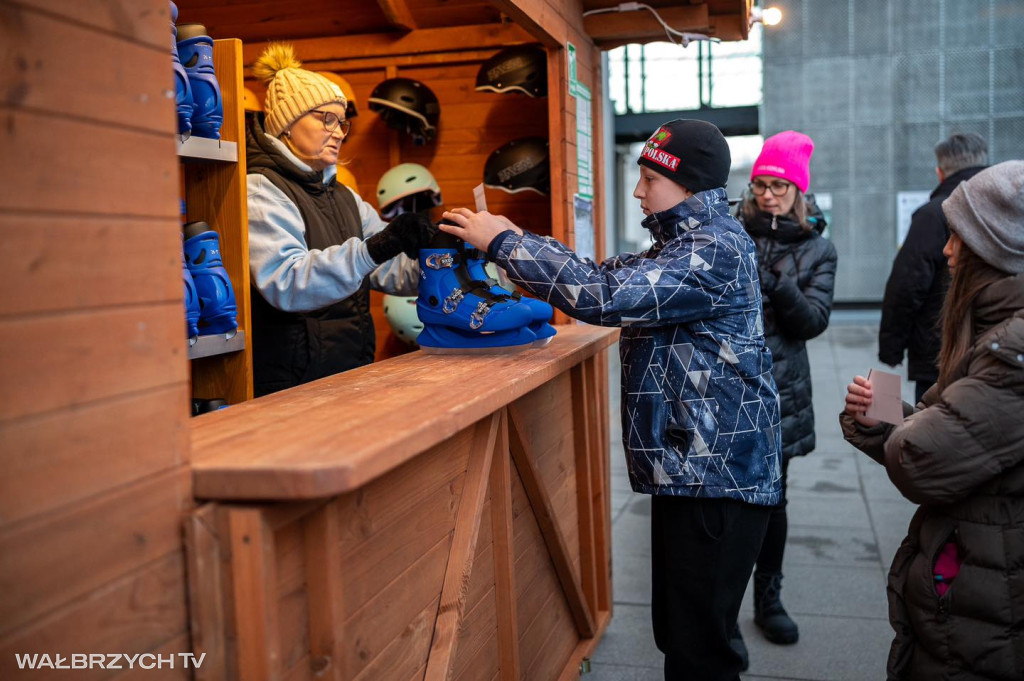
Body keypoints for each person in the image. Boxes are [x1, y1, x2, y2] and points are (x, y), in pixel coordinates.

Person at [441, 119, 782, 681]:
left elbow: (602, 297)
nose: (638, 190)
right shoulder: (682, 242)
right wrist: (510, 239)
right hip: (698, 468)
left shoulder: (713, 249)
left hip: (718, 476)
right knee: (683, 633)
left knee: (700, 651)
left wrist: (504, 242)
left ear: (690, 186)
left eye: (649, 178)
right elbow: (600, 274)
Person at [841, 161, 1024, 680]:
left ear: (994, 251)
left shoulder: (1013, 346)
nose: (946, 251)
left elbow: (924, 454)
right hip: (985, 568)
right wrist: (883, 413)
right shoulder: (994, 331)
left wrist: (900, 425)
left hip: (991, 585)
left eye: (958, 240)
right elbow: (946, 422)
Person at [245, 43, 434, 396]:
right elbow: (287, 281)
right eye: (325, 118)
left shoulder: (344, 197)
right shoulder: (261, 189)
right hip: (290, 387)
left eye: (341, 122)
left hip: (348, 373)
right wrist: (377, 247)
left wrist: (446, 255)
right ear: (287, 123)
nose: (337, 132)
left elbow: (389, 269)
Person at [730, 131, 837, 659]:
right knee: (725, 500)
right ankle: (722, 612)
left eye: (780, 186)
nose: (768, 195)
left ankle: (768, 600)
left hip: (780, 390)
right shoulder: (730, 233)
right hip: (726, 385)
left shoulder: (818, 248)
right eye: (761, 185)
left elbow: (813, 321)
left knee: (773, 501)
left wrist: (779, 285)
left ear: (799, 191)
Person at [879, 133, 988, 403]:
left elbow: (907, 282)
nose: (948, 250)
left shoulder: (933, 214)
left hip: (940, 352)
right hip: (992, 348)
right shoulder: (1003, 210)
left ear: (940, 173)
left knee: (929, 425)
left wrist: (891, 347)